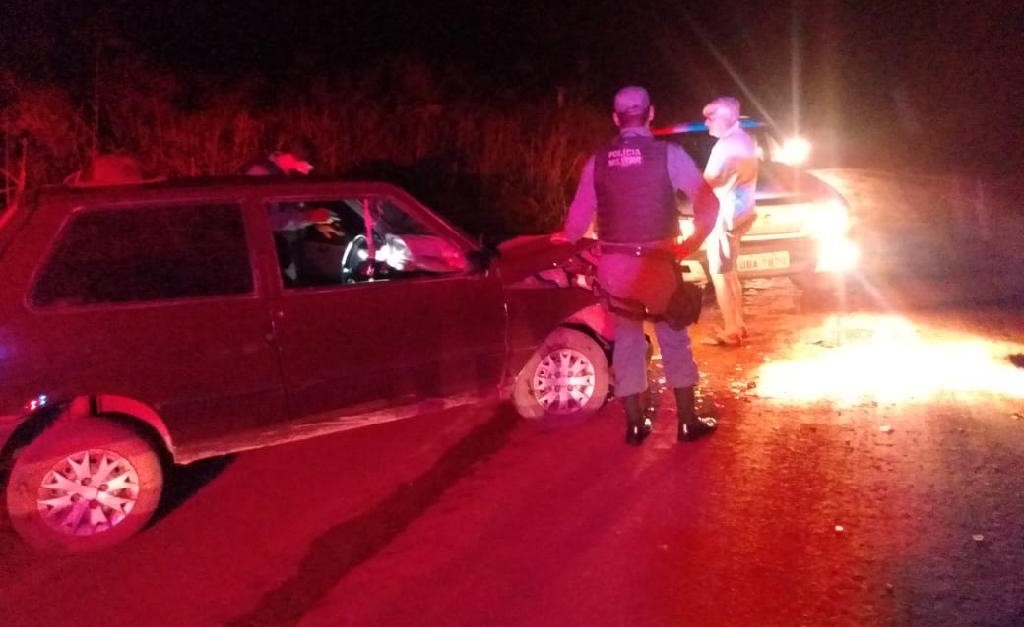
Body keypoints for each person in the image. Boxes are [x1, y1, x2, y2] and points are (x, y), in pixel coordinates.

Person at [556, 86, 720, 445]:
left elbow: (576, 224)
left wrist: (564, 243)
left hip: (614, 266)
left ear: (615, 119)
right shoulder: (669, 155)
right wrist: (692, 243)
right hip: (658, 264)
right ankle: (687, 422)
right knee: (674, 336)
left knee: (627, 341)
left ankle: (634, 426)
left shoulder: (597, 160)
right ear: (650, 114)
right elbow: (708, 204)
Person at [701, 96, 759, 346]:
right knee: (731, 271)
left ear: (725, 118)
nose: (706, 123)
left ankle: (731, 330)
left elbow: (708, 180)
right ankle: (738, 323)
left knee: (720, 273)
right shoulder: (745, 140)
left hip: (726, 214)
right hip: (743, 212)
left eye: (710, 118)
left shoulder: (725, 146)